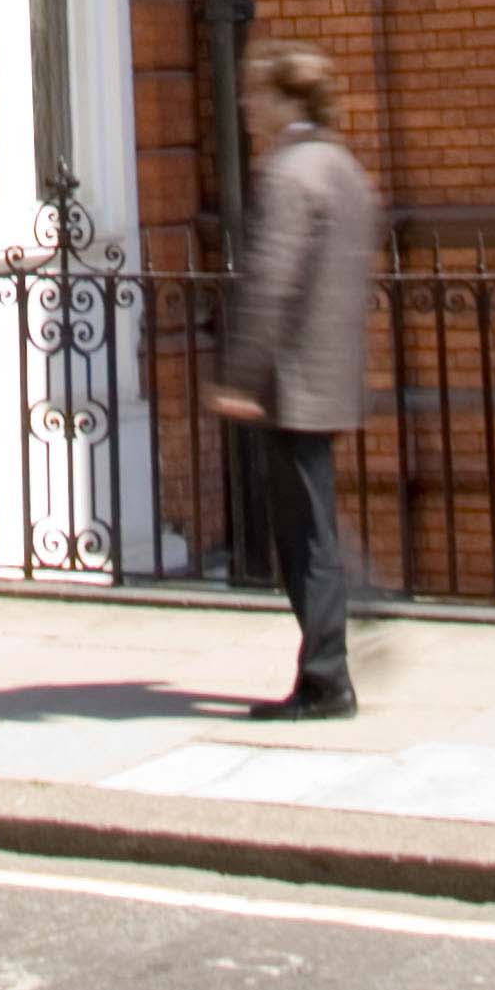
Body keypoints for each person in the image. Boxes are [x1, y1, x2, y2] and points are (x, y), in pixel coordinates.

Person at [201, 37, 381, 721]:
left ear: (285, 99)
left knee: (303, 536)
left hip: (290, 381)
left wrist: (240, 376)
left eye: (256, 94)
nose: (248, 106)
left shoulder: (287, 174)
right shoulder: (343, 168)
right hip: (332, 374)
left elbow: (270, 286)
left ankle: (326, 677)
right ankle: (351, 614)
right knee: (316, 522)